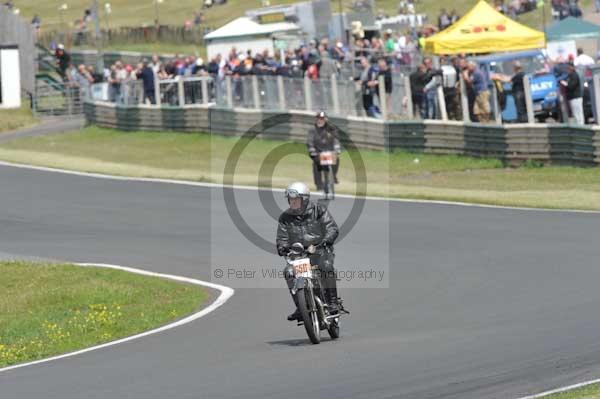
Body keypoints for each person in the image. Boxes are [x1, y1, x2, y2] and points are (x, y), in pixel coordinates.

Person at [276, 182, 340, 321]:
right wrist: (282, 247)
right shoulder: (285, 218)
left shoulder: (319, 210)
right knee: (289, 272)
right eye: (290, 200)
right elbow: (282, 238)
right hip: (299, 255)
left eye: (295, 200)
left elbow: (332, 228)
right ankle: (301, 307)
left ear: (304, 200)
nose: (292, 203)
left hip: (320, 251)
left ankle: (332, 302)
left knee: (326, 267)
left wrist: (326, 240)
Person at [307, 111, 341, 191]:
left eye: (322, 119)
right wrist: (311, 149)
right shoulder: (312, 130)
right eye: (318, 119)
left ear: (326, 120)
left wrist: (337, 148)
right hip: (318, 153)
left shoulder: (331, 129)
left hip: (329, 152)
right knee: (316, 164)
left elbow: (336, 140)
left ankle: (334, 175)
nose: (320, 120)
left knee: (336, 159)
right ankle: (319, 184)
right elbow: (310, 141)